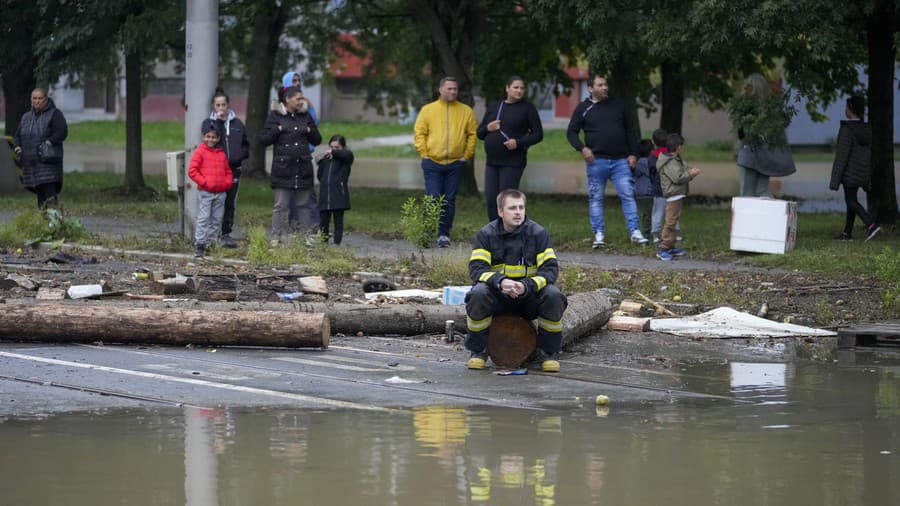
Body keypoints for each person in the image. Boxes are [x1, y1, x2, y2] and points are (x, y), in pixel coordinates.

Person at [465, 189, 568, 373]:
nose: (518, 212)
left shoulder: (538, 234)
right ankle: (478, 352)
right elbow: (477, 269)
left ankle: (549, 353)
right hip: (498, 297)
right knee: (478, 293)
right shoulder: (486, 235)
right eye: (512, 208)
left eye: (521, 207)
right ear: (500, 212)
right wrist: (500, 281)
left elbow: (550, 270)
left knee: (553, 295)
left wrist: (526, 286)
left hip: (528, 298)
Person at [566, 74, 648, 248]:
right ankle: (599, 235)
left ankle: (635, 232)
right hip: (596, 162)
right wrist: (582, 148)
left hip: (621, 161)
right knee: (596, 198)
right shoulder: (583, 108)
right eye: (600, 85)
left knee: (627, 195)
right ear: (590, 88)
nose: (605, 88)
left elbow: (630, 131)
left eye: (606, 85)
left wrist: (634, 154)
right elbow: (571, 132)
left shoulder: (618, 105)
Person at [413, 76, 478, 248]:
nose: (453, 92)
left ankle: (444, 234)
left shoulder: (466, 111)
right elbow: (419, 133)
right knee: (432, 197)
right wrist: (424, 154)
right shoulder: (428, 110)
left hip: (456, 163)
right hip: (432, 162)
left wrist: (466, 156)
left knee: (449, 199)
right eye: (449, 88)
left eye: (455, 89)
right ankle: (427, 231)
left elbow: (472, 134)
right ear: (440, 90)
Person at [476, 75, 544, 222]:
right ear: (507, 89)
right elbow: (480, 133)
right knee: (491, 199)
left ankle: (511, 232)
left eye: (522, 88)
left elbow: (538, 134)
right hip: (492, 162)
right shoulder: (495, 107)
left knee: (507, 200)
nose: (519, 91)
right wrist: (488, 127)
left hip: (513, 161)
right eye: (515, 87)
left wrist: (518, 143)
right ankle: (494, 232)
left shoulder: (528, 108)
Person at [258, 86, 322, 240]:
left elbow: (317, 139)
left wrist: (309, 131)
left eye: (302, 98)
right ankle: (276, 237)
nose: (301, 101)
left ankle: (305, 237)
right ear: (288, 99)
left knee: (304, 205)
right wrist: (278, 129)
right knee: (281, 206)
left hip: (303, 168)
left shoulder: (305, 116)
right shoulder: (275, 116)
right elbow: (264, 140)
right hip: (283, 169)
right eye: (298, 98)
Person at [731, 74, 796, 197]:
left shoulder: (746, 106)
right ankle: (768, 214)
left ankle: (748, 216)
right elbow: (783, 125)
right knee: (762, 190)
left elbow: (742, 134)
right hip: (765, 155)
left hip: (749, 154)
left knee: (747, 191)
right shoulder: (772, 109)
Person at [829, 95, 880, 241]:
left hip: (849, 173)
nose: (845, 110)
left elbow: (842, 156)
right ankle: (847, 233)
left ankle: (871, 226)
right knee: (850, 200)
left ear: (850, 109)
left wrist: (835, 180)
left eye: (846, 107)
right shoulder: (866, 129)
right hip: (862, 172)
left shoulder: (847, 130)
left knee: (851, 201)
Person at [12, 87, 68, 209]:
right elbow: (17, 136)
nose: (37, 101)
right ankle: (44, 225)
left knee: (50, 197)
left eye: (40, 98)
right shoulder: (26, 117)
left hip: (49, 164)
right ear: (31, 100)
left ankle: (54, 224)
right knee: (40, 198)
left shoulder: (55, 114)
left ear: (46, 99)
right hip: (31, 165)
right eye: (34, 98)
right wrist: (18, 148)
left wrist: (48, 142)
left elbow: (61, 132)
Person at [279, 71, 321, 232]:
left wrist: (308, 107)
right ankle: (294, 222)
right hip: (286, 156)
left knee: (307, 191)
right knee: (289, 193)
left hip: (303, 154)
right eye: (293, 80)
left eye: (298, 80)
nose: (297, 83)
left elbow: (314, 124)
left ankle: (315, 223)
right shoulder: (280, 107)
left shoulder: (305, 104)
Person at [209, 88, 249, 248]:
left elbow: (246, 144)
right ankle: (213, 234)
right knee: (215, 201)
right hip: (216, 170)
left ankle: (226, 233)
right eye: (218, 105)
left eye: (223, 104)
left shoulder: (237, 123)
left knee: (230, 202)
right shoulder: (210, 123)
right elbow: (210, 140)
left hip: (233, 169)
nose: (221, 108)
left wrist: (240, 156)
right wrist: (218, 122)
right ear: (214, 106)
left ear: (228, 105)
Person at [188, 120, 233, 257]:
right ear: (203, 137)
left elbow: (228, 171)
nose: (210, 139)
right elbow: (192, 171)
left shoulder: (221, 154)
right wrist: (205, 182)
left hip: (220, 193)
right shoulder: (199, 152)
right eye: (208, 136)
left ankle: (211, 243)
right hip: (206, 192)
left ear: (218, 138)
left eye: (213, 137)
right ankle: (200, 244)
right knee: (204, 218)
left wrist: (227, 183)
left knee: (216, 219)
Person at [656, 133, 700, 261]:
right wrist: (691, 174)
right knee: (670, 222)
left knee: (674, 222)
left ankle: (671, 246)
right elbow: (677, 178)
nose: (682, 148)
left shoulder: (676, 159)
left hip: (677, 195)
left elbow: (683, 169)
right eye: (681, 146)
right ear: (678, 147)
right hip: (673, 195)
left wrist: (690, 170)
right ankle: (663, 248)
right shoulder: (670, 162)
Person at [317, 134, 354, 245]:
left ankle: (337, 243)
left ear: (343, 147)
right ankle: (324, 242)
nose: (333, 150)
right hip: (325, 195)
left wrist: (334, 153)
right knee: (323, 221)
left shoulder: (346, 158)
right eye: (331, 147)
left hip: (339, 194)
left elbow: (348, 154)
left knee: (338, 221)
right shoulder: (325, 160)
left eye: (337, 147)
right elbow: (320, 175)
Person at [632, 139, 658, 243]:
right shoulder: (646, 162)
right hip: (647, 192)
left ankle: (646, 233)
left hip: (640, 192)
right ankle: (647, 235)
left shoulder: (639, 162)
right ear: (651, 151)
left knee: (646, 214)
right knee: (648, 215)